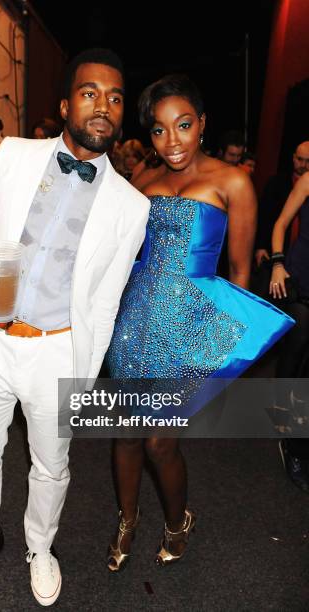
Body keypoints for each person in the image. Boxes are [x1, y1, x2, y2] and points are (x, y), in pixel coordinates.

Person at [0, 48, 149, 606]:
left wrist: (85, 373)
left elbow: (105, 299)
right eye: (91, 92)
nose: (104, 105)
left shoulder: (131, 206)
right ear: (66, 102)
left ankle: (40, 547)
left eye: (115, 97)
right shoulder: (16, 156)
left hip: (58, 352)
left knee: (52, 465)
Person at [106, 74, 293, 572]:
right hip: (134, 321)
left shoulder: (232, 181)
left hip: (187, 329)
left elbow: (238, 276)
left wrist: (223, 354)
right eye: (160, 130)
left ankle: (176, 521)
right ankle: (126, 521)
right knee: (124, 432)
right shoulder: (140, 183)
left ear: (202, 124)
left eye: (183, 125)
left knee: (159, 440)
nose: (173, 141)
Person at [269, 172, 309, 492]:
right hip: (301, 277)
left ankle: (296, 440)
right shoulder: (308, 179)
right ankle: (288, 436)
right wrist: (277, 262)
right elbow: (281, 223)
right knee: (293, 356)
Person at [255, 141, 309, 267]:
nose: (304, 165)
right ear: (294, 158)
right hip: (276, 250)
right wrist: (261, 246)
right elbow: (264, 216)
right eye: (300, 159)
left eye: (308, 161)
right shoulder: (277, 183)